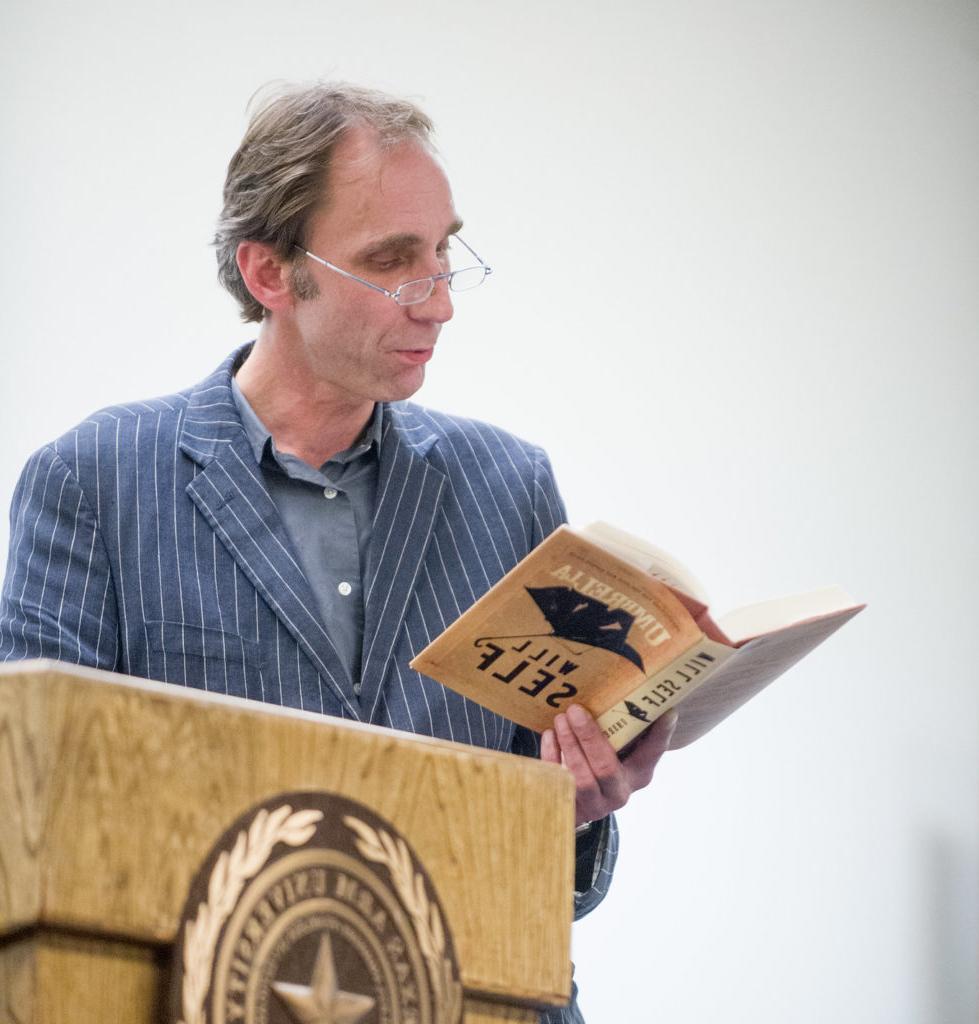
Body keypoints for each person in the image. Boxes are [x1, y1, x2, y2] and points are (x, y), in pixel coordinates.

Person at [0, 82, 675, 1022]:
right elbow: (30, 822)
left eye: (443, 255)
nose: (438, 304)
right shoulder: (95, 482)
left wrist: (581, 804)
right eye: (393, 263)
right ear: (271, 273)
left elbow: (557, 885)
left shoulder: (509, 485)